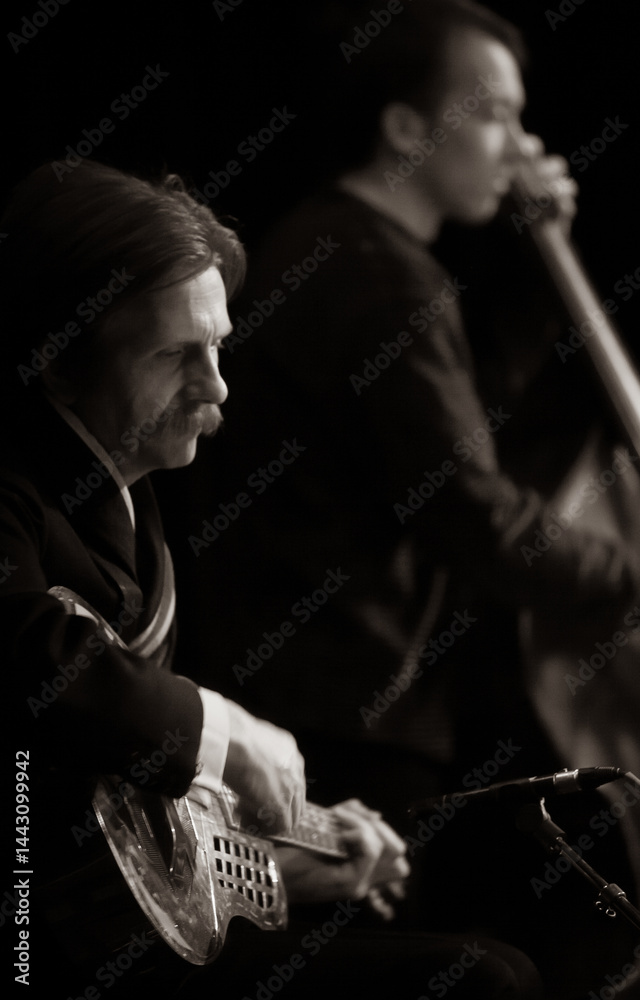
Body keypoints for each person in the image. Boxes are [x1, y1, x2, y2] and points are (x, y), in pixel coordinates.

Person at [168, 1, 640, 994]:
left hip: (312, 693)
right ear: (406, 126)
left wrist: (542, 264)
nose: (522, 144)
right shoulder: (383, 276)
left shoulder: (336, 246)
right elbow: (480, 515)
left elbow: (454, 435)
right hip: (345, 712)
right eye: (493, 113)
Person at [0, 158, 543, 999]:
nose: (216, 385)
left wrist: (284, 863)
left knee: (491, 969)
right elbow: (28, 654)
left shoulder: (137, 499)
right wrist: (223, 731)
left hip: (94, 940)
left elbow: (127, 824)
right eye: (175, 353)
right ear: (60, 358)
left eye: (217, 345)